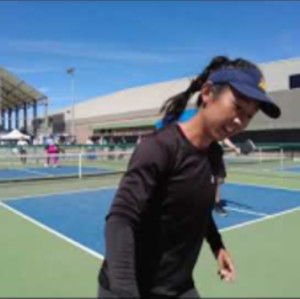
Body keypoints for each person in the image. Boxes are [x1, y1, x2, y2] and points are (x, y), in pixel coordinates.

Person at [97, 56, 281, 298]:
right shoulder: (159, 148)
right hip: (130, 288)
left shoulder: (214, 153)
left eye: (248, 115)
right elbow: (120, 219)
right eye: (237, 106)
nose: (240, 121)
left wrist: (218, 247)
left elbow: (199, 208)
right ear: (207, 93)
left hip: (178, 287)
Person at [214, 138, 241, 216]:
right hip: (209, 158)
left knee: (220, 180)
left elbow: (224, 138)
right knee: (216, 181)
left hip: (219, 159)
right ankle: (217, 204)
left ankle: (215, 202)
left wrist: (234, 148)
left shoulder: (220, 131)